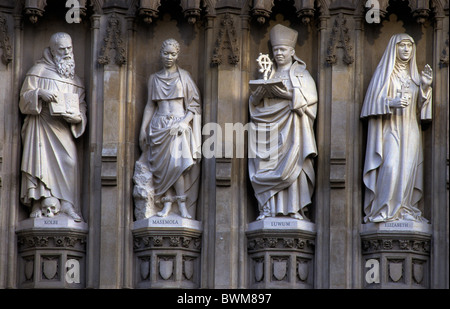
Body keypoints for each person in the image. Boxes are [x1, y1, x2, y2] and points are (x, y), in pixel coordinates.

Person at [361, 33, 432, 223]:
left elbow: (422, 113)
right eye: (402, 45)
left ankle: (404, 208)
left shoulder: (415, 77)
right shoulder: (385, 74)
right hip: (390, 128)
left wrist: (425, 89)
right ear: (394, 48)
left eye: (409, 45)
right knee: (391, 166)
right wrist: (391, 102)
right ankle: (383, 210)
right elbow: (371, 104)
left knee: (408, 171)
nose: (406, 49)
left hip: (410, 129)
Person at [248, 24, 318, 220]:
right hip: (268, 129)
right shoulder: (268, 73)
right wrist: (258, 95)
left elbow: (309, 100)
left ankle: (293, 209)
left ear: (292, 52)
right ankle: (268, 209)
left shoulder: (301, 75)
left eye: (282, 49)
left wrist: (286, 95)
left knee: (292, 166)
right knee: (266, 164)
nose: (278, 53)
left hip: (293, 131)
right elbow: (254, 104)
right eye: (276, 50)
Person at [19, 32, 87, 222]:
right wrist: (39, 93)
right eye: (62, 49)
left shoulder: (76, 81)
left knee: (70, 162)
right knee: (41, 164)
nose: (66, 52)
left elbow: (82, 108)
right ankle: (41, 203)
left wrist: (77, 118)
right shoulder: (38, 71)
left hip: (64, 129)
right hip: (42, 127)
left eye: (69, 48)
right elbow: (23, 100)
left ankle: (67, 205)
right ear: (52, 50)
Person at [139, 38, 201, 219]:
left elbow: (194, 105)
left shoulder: (185, 77)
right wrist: (143, 129)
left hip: (178, 126)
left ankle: (181, 205)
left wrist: (184, 122)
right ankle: (166, 205)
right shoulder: (154, 78)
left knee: (176, 165)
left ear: (177, 55)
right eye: (166, 53)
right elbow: (150, 105)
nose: (169, 57)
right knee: (161, 169)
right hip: (158, 126)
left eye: (173, 54)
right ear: (160, 54)